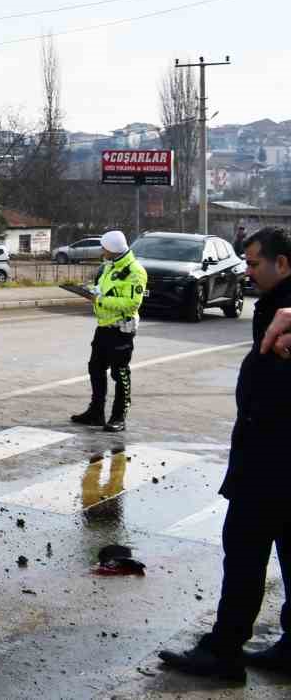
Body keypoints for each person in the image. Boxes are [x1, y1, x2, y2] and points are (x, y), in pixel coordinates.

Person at [159, 226, 291, 681]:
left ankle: (224, 651)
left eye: (254, 264)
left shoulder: (283, 307)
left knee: (244, 553)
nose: (247, 271)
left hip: (272, 459)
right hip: (271, 455)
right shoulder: (277, 306)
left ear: (283, 263)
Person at [70, 230, 146, 433]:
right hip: (103, 326)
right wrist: (90, 291)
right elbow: (105, 290)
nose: (102, 250)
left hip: (121, 329)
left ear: (112, 249)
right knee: (95, 368)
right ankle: (96, 412)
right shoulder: (108, 266)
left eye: (104, 247)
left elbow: (131, 303)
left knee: (120, 373)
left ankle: (119, 416)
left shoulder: (135, 271)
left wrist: (100, 300)